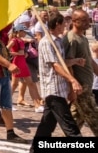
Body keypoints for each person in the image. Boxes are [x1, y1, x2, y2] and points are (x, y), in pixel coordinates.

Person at [30, 12, 83, 152]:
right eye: (64, 22)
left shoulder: (58, 41)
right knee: (70, 127)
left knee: (46, 127)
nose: (66, 25)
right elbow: (55, 65)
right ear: (58, 24)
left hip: (60, 89)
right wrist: (72, 80)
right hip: (53, 90)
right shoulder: (47, 42)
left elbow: (62, 62)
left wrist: (76, 61)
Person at [63, 9, 98, 135]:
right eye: (83, 20)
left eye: (88, 20)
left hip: (87, 85)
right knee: (95, 118)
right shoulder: (71, 39)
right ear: (74, 21)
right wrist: (73, 85)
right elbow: (67, 64)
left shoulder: (83, 38)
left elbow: (90, 61)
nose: (87, 23)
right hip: (81, 86)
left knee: (76, 121)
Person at [7, 25, 43, 111]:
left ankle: (37, 105)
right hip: (17, 62)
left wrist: (24, 54)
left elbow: (26, 42)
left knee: (30, 83)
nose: (24, 33)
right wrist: (18, 54)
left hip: (23, 62)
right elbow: (6, 50)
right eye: (23, 32)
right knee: (14, 84)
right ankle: (7, 103)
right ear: (18, 32)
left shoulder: (20, 39)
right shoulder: (14, 40)